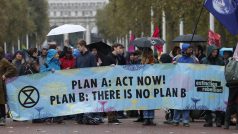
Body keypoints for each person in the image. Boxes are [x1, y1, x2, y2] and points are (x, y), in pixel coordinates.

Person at [75, 40, 101, 125]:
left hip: (88, 82)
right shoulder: (78, 56)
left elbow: (94, 69)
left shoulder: (91, 56)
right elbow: (76, 68)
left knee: (89, 99)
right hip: (80, 82)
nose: (78, 49)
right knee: (81, 99)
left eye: (79, 47)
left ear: (83, 46)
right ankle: (80, 116)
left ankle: (88, 115)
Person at [173, 44, 197, 127]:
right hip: (179, 83)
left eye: (191, 49)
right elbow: (172, 68)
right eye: (189, 49)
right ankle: (176, 119)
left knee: (187, 102)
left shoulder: (193, 59)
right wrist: (174, 64)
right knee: (178, 102)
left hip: (188, 84)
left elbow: (197, 69)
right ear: (185, 50)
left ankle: (186, 120)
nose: (191, 50)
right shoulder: (178, 59)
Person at [201, 45, 224, 127]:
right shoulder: (204, 61)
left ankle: (218, 121)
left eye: (216, 52)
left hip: (217, 84)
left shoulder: (220, 61)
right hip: (207, 84)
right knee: (207, 103)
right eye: (214, 52)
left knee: (218, 103)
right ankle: (209, 121)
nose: (215, 53)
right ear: (210, 52)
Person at [0, 47, 17, 126]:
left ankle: (2, 118)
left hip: (0, 84)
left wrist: (5, 75)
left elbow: (12, 68)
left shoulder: (3, 61)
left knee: (1, 101)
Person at [140, 47, 156, 126]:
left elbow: (159, 69)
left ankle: (151, 118)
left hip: (153, 83)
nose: (150, 54)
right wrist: (144, 64)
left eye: (150, 53)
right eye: (148, 53)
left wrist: (154, 65)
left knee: (152, 100)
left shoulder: (154, 60)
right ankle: (146, 118)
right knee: (145, 101)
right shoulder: (142, 61)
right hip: (144, 84)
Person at [224, 45, 238, 129]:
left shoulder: (230, 60)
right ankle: (237, 123)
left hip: (231, 83)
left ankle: (226, 123)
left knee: (230, 103)